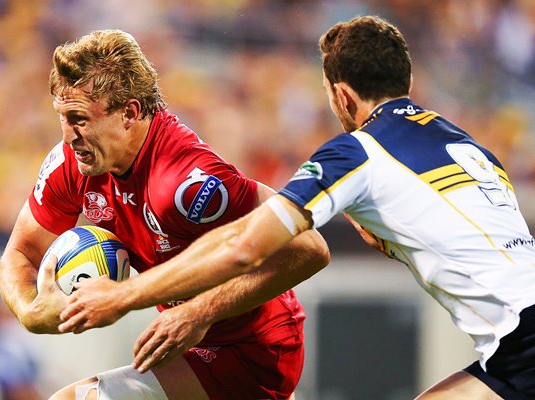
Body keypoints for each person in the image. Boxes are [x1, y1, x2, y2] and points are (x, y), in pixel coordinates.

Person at [59, 16, 535, 400]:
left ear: (340, 95)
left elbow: (245, 246)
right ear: (406, 80)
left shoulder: (357, 152)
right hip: (512, 352)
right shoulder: (469, 145)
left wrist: (123, 296)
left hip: (523, 341)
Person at [0, 29, 330, 400]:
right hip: (189, 346)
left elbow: (308, 248)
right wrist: (31, 311)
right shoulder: (73, 164)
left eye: (80, 118)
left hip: (252, 349)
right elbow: (21, 252)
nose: (69, 135)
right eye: (63, 117)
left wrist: (199, 312)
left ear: (130, 112)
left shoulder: (185, 181)